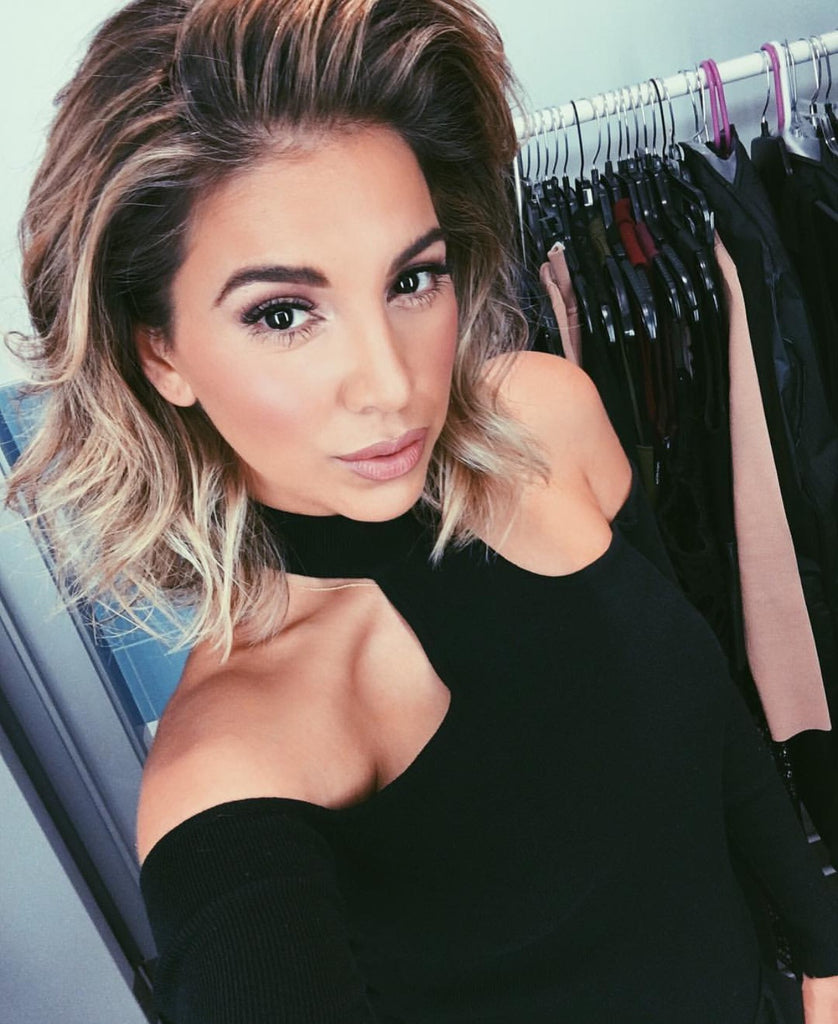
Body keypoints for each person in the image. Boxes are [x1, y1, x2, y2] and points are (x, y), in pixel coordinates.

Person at [5, 0, 838, 1021]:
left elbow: (710, 723)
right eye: (283, 312)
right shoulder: (235, 756)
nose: (392, 384)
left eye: (411, 279)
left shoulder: (545, 416)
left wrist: (824, 962)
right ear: (160, 351)